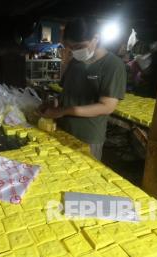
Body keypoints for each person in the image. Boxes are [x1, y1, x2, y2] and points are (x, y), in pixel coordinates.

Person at [39, 18, 127, 160]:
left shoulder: (113, 65)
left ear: (96, 38)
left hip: (87, 135)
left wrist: (63, 111)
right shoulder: (75, 61)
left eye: (79, 46)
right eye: (70, 47)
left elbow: (107, 106)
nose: (75, 51)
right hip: (62, 128)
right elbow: (69, 92)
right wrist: (54, 103)